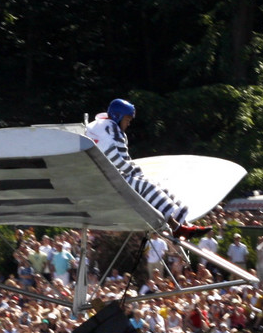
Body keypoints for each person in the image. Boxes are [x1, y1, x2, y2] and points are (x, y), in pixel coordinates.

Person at [84, 98, 208, 239]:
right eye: (127, 119)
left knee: (158, 186)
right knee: (147, 187)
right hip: (110, 179)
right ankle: (176, 227)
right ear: (117, 116)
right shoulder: (110, 128)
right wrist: (136, 172)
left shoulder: (107, 128)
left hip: (114, 176)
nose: (129, 123)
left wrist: (135, 172)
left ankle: (185, 225)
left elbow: (120, 159)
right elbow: (115, 159)